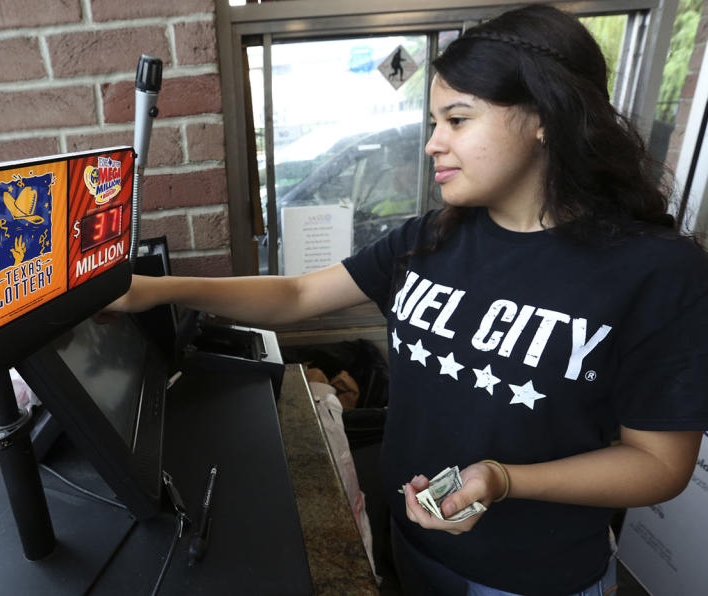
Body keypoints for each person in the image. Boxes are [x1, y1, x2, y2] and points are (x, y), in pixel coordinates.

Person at [108, 5, 708, 595]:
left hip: (529, 578)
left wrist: (503, 480)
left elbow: (659, 464)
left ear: (543, 116)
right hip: (413, 542)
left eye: (458, 119)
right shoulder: (431, 236)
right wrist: (153, 290)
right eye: (432, 122)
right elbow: (297, 292)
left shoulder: (655, 270)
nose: (432, 144)